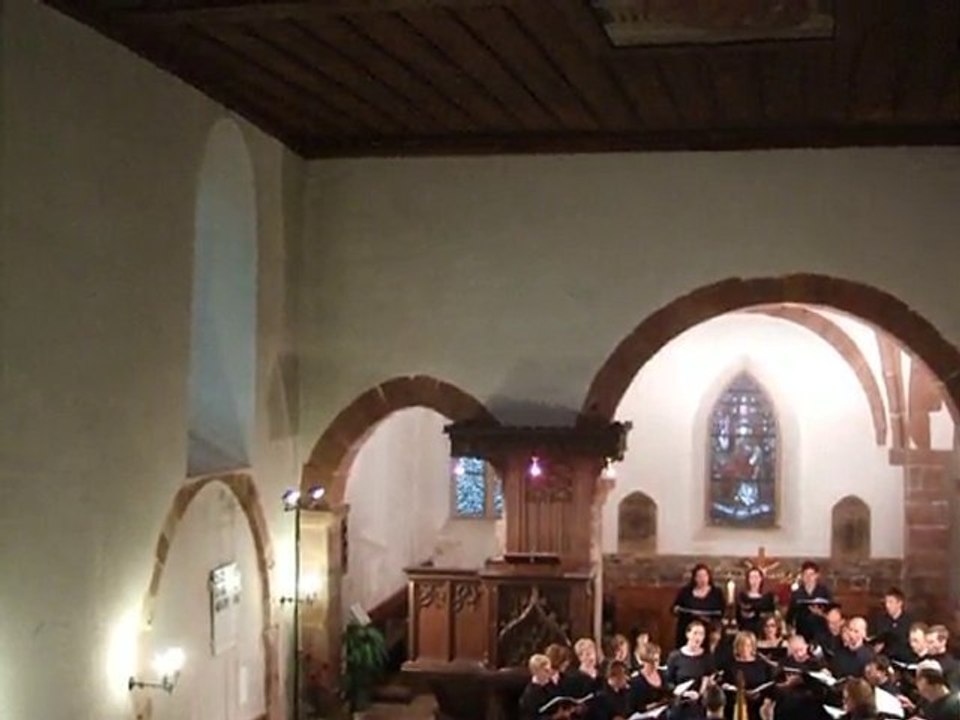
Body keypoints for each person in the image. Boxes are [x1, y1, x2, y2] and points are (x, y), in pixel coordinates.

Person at [666, 620, 716, 719]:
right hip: (679, 704)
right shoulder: (675, 656)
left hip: (699, 705)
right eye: (695, 633)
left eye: (701, 634)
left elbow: (708, 678)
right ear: (687, 634)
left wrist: (702, 691)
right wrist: (683, 693)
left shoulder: (707, 658)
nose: (698, 637)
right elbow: (668, 682)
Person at [772, 634, 828, 720]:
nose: (799, 654)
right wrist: (786, 685)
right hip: (789, 704)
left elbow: (822, 687)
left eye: (801, 649)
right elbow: (776, 685)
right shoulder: (784, 663)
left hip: (811, 704)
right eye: (795, 651)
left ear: (806, 646)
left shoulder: (816, 662)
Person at [720, 631, 774, 720]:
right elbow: (724, 685)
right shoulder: (730, 665)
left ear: (753, 647)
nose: (745, 649)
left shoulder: (762, 665)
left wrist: (763, 696)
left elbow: (769, 684)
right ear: (737, 647)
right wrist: (741, 692)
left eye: (748, 645)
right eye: (742, 645)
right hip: (736, 706)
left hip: (759, 707)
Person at [673, 564, 726, 649]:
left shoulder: (716, 593)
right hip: (687, 629)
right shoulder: (685, 592)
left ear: (709, 577)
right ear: (694, 578)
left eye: (704, 576)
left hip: (709, 631)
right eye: (699, 576)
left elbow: (722, 612)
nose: (702, 579)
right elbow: (675, 608)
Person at [787, 562, 832, 643]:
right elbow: (790, 615)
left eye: (811, 574)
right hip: (802, 630)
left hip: (820, 632)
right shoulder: (796, 594)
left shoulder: (824, 592)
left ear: (816, 575)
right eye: (806, 574)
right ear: (802, 576)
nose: (809, 577)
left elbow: (832, 613)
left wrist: (821, 613)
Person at [872, 588, 915, 663]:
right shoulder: (880, 620)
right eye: (886, 602)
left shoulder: (910, 621)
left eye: (891, 602)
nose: (887, 605)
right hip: (884, 660)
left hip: (904, 659)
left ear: (899, 603)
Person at [630, 641, 671, 712]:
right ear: (644, 661)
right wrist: (657, 705)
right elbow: (638, 707)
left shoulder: (662, 674)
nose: (655, 664)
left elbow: (668, 694)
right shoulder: (636, 681)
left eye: (657, 660)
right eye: (651, 661)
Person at [738, 567, 778, 639]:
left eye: (756, 577)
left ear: (761, 579)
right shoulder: (742, 597)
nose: (754, 580)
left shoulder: (768, 597)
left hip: (763, 633)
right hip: (747, 632)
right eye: (752, 577)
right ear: (748, 580)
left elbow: (771, 615)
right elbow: (740, 615)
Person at [519, 653, 561, 720]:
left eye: (550, 669)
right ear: (536, 672)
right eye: (546, 670)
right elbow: (532, 716)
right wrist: (553, 717)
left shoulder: (551, 684)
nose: (550, 672)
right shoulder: (530, 693)